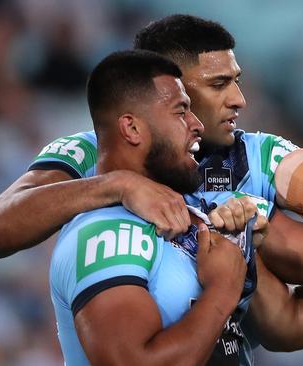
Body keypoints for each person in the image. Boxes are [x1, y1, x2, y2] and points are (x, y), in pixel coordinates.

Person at [0, 14, 303, 278]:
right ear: (166, 88)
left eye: (236, 81)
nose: (239, 99)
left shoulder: (255, 154)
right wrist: (117, 185)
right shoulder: (88, 150)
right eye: (218, 85)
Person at [51, 49, 255, 365]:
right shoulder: (105, 233)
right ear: (132, 129)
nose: (197, 124)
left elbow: (286, 326)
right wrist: (222, 291)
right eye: (180, 111)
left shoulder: (193, 213)